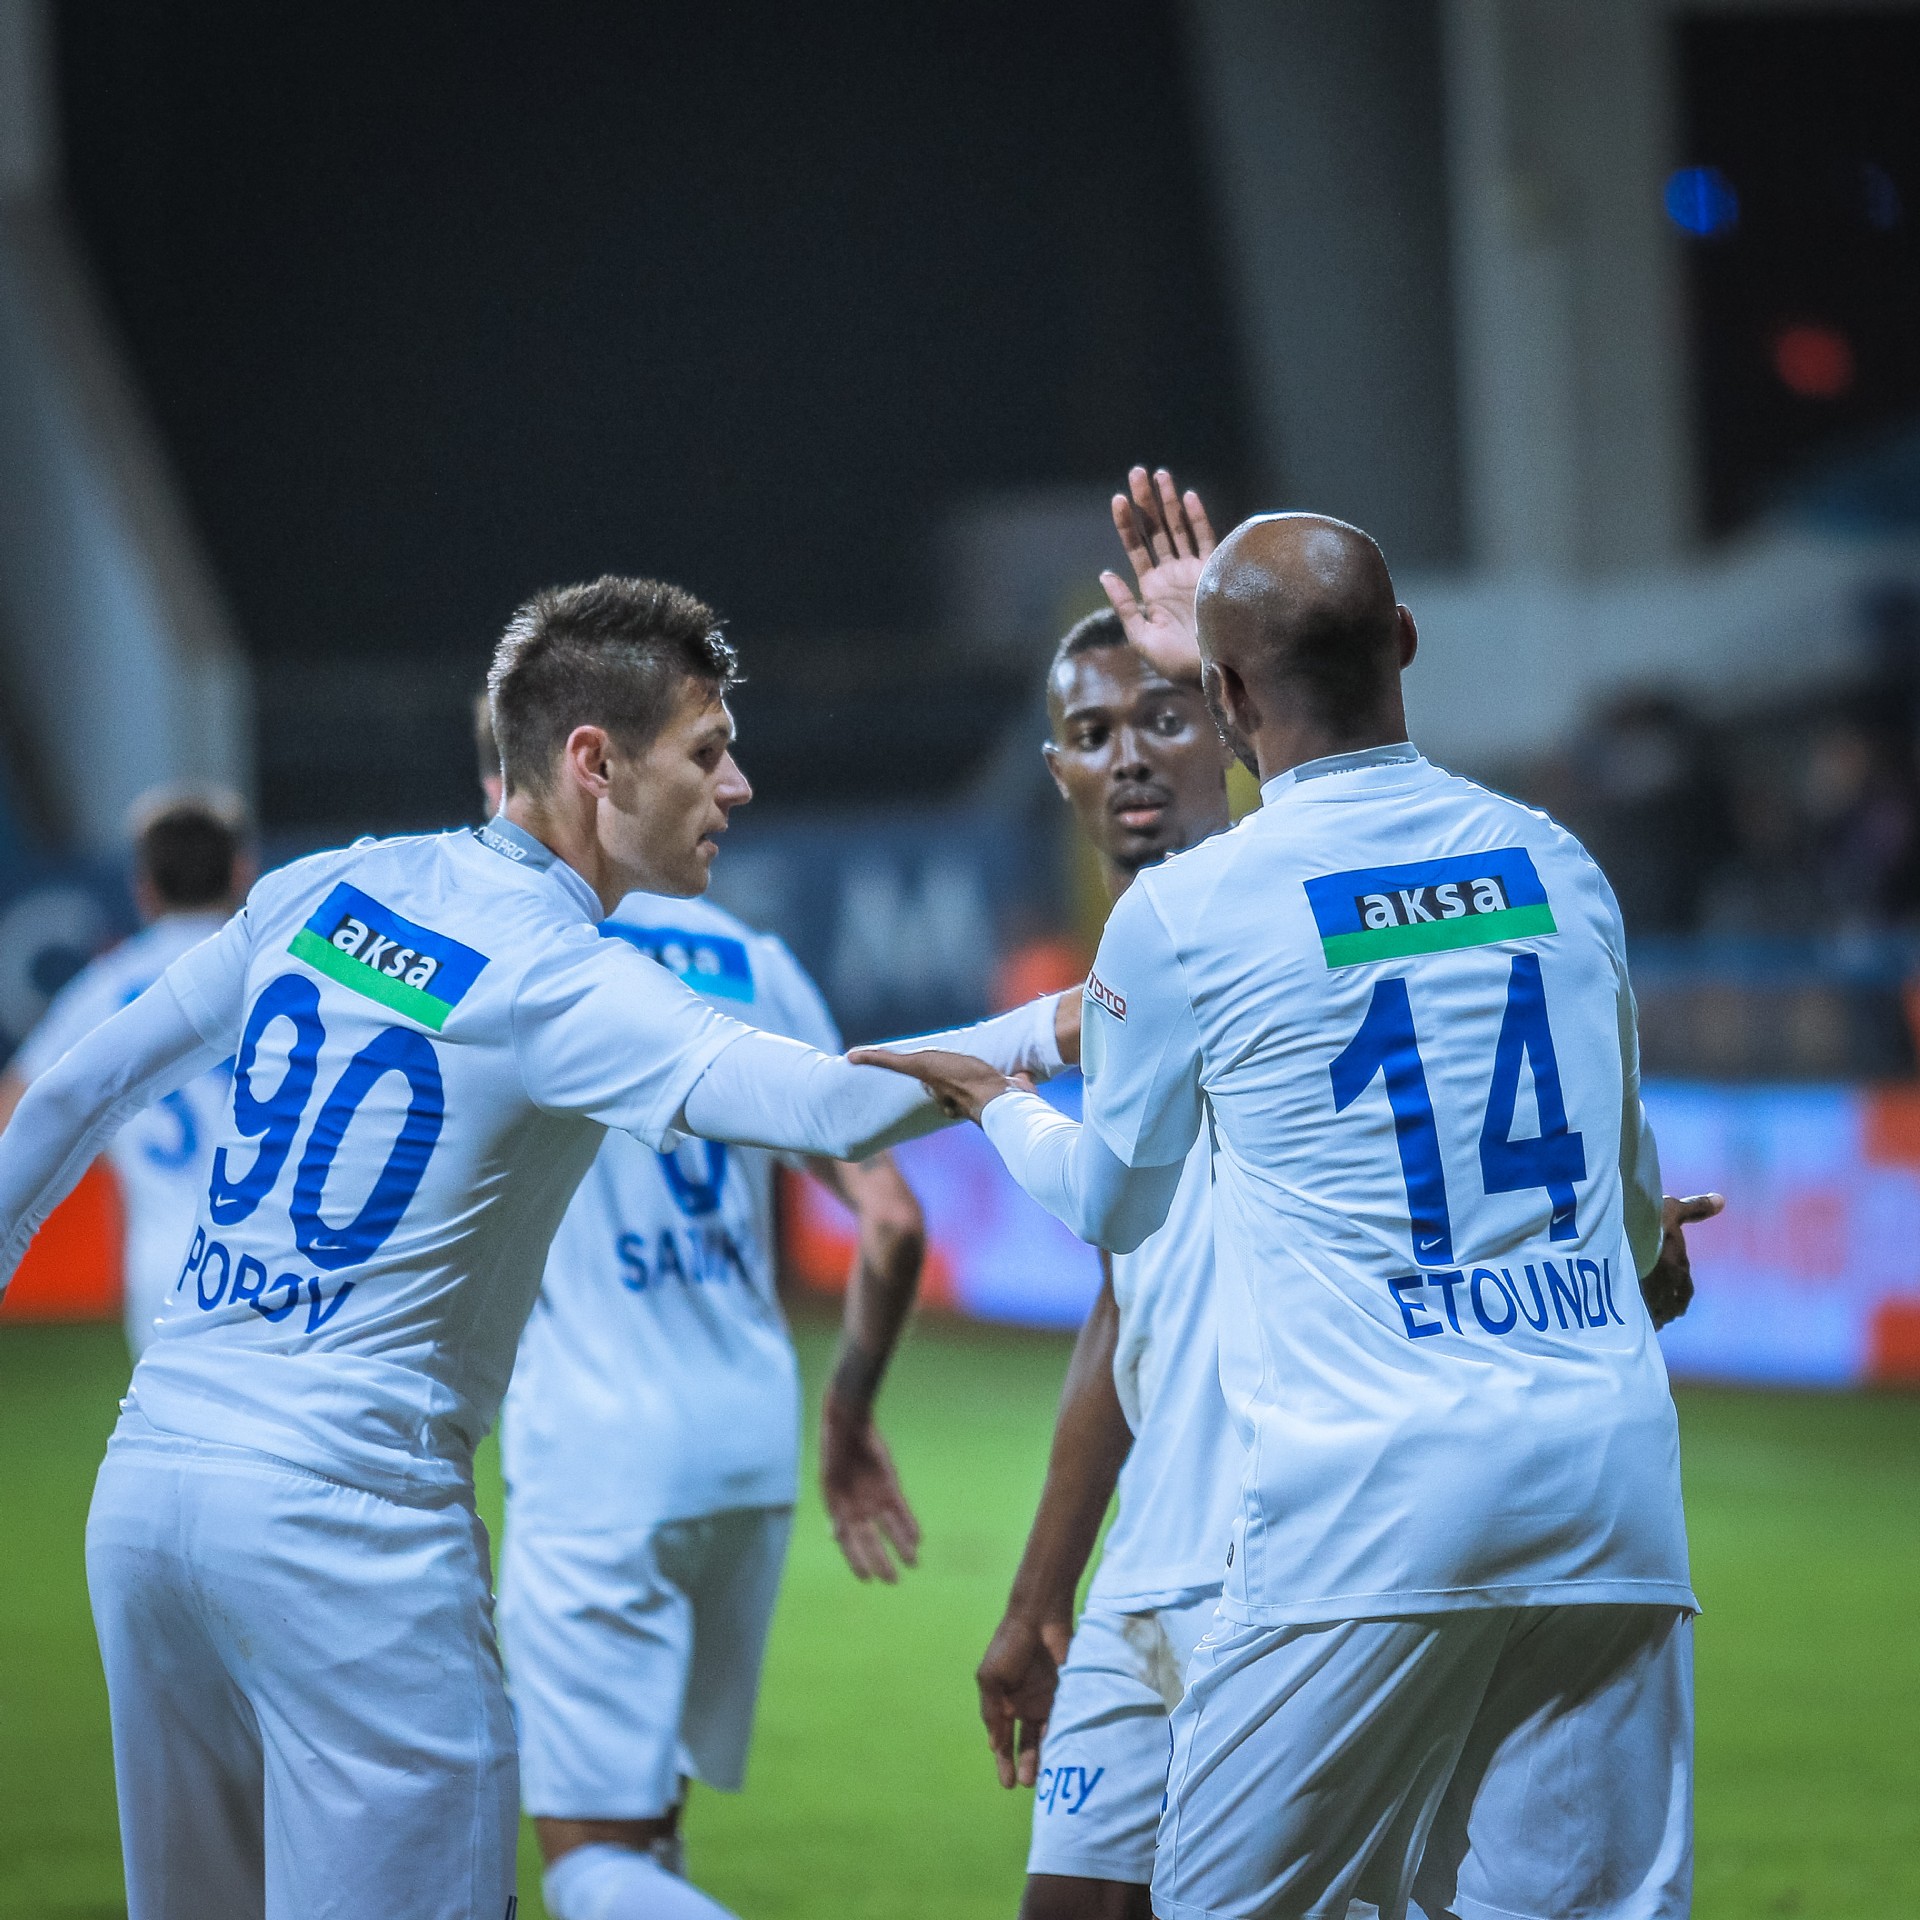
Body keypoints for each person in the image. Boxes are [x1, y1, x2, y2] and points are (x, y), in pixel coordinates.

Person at [0, 574, 997, 1920]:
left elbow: (68, 1093)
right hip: (347, 1528)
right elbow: (832, 1110)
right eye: (708, 751)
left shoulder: (329, 885)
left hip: (150, 1487)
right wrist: (1084, 1018)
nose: (739, 786)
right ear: (595, 764)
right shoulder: (560, 974)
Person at [861, 515, 1723, 1920]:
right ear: (1407, 643)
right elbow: (1634, 1217)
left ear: (1224, 698)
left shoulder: (1192, 911)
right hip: (1609, 1494)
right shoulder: (1556, 862)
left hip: (1374, 1511)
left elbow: (1110, 1201)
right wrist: (1639, 1260)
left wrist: (989, 1097)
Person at [472, 702, 932, 1920]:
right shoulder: (752, 960)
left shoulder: (522, 959)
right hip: (747, 1444)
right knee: (651, 1840)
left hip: (600, 1453)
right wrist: (848, 1416)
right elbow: (890, 1220)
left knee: (593, 1865)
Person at [977, 468, 1239, 1920]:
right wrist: (1039, 1596)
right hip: (1152, 1562)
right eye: (1093, 734)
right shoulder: (1129, 968)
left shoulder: (1285, 922)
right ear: (1058, 770)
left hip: (1301, 1554)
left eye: (1166, 715)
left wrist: (985, 1094)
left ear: (1236, 724)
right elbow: (1125, 1300)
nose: (1130, 756)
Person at [0, 788, 252, 1356]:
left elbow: (21, 1110)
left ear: (144, 885)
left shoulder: (107, 987)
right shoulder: (278, 974)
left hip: (163, 1270)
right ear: (242, 870)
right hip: (282, 1265)